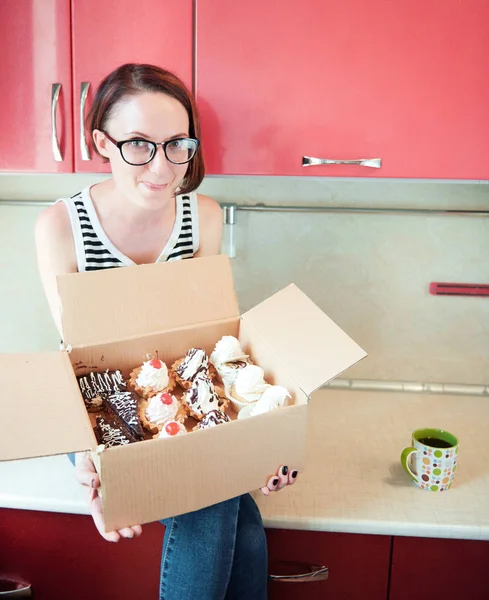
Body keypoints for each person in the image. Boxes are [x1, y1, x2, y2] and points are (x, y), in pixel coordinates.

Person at [35, 63, 298, 599]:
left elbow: (206, 344)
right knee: (220, 504)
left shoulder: (201, 216)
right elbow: (74, 353)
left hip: (187, 396)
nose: (162, 166)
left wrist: (260, 442)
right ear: (101, 143)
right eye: (139, 144)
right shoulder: (61, 227)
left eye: (177, 143)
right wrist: (94, 466)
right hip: (94, 405)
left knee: (241, 526)